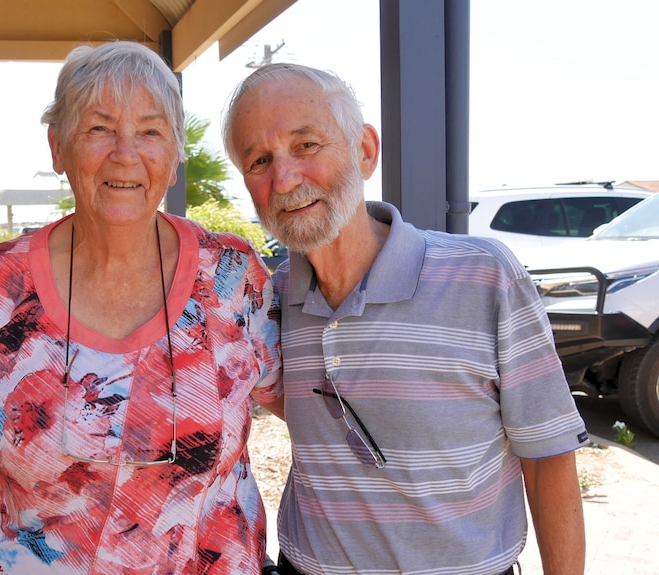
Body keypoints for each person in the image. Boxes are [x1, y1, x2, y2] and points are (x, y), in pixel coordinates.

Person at [0, 41, 282, 575]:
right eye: (99, 128)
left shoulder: (232, 279)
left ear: (174, 157)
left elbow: (314, 409)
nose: (125, 154)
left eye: (149, 131)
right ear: (58, 147)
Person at [222, 63, 589, 575]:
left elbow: (548, 455)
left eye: (306, 145)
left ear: (365, 151)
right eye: (260, 160)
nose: (284, 178)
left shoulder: (484, 275)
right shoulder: (269, 297)